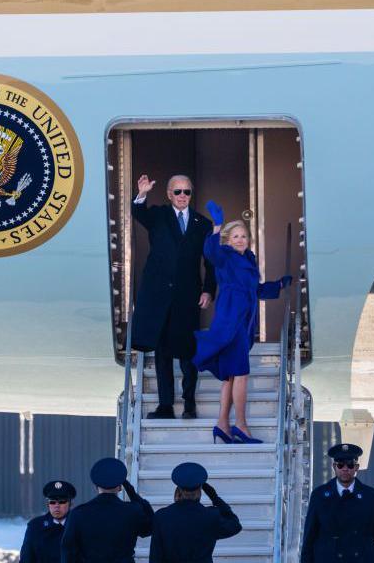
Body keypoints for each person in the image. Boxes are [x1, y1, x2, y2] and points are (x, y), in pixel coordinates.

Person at [193, 201, 291, 444]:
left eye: (244, 236)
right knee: (241, 374)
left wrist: (278, 285)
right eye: (235, 236)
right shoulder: (224, 256)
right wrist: (217, 225)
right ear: (228, 240)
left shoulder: (248, 258)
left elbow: (254, 290)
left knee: (230, 376)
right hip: (231, 321)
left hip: (243, 320)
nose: (240, 239)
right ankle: (242, 426)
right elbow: (210, 252)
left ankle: (222, 424)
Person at [132, 174, 216, 419]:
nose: (182, 196)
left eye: (186, 192)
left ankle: (189, 404)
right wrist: (142, 194)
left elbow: (210, 261)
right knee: (162, 351)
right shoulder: (158, 215)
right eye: (177, 192)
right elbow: (139, 213)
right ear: (169, 194)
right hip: (159, 293)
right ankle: (165, 405)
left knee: (188, 351)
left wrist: (209, 289)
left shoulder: (203, 224)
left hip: (188, 293)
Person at [300, 444, 374, 563]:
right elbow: (309, 539)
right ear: (334, 467)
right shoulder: (319, 496)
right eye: (340, 464)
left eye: (350, 464)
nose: (345, 468)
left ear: (356, 467)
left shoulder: (372, 497)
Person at [61, 457, 153, 563]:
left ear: (96, 485)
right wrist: (131, 491)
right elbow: (149, 528)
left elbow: (68, 550)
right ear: (120, 487)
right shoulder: (132, 512)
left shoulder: (78, 514)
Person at [149, 462, 242, 563]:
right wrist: (215, 498)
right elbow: (235, 525)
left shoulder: (162, 516)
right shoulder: (211, 516)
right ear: (200, 489)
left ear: (179, 489)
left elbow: (155, 556)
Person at [20, 480, 76, 563]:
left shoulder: (78, 525)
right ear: (48, 504)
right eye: (52, 502)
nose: (57, 506)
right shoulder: (35, 526)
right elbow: (26, 558)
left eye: (62, 502)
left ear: (70, 504)